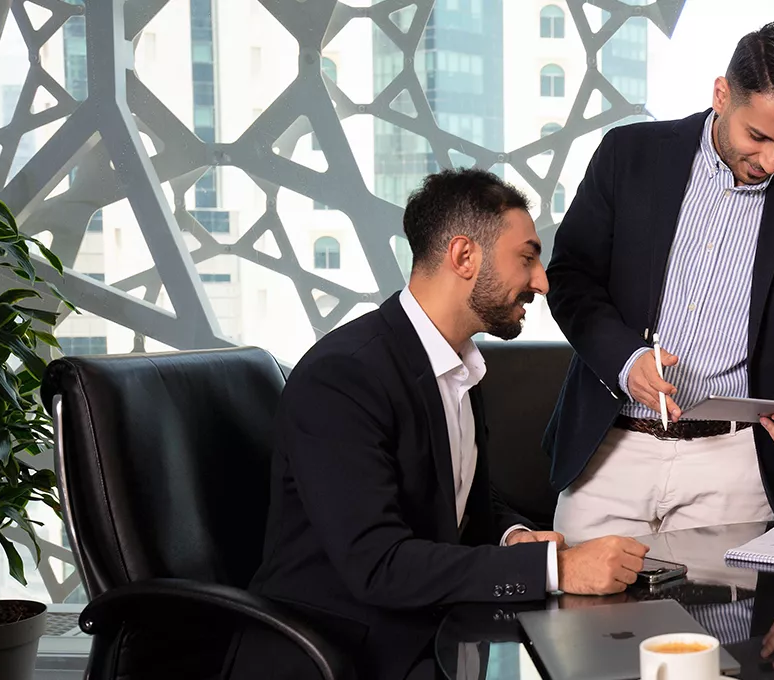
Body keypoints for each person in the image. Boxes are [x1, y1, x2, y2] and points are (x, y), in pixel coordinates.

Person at [232, 169, 648, 680]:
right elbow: (378, 565)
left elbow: (454, 495)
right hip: (343, 649)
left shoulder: (456, 365)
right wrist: (555, 570)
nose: (542, 281)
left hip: (431, 628)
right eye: (527, 257)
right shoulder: (343, 376)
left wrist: (514, 536)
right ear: (464, 256)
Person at [544, 21, 774, 541]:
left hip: (735, 464)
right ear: (721, 95)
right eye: (758, 136)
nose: (771, 162)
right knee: (579, 595)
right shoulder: (629, 154)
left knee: (725, 601)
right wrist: (626, 361)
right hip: (610, 448)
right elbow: (570, 277)